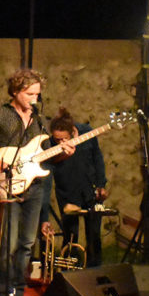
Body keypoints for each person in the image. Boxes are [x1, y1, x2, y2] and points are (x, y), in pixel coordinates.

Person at [0, 69, 73, 296]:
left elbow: (44, 160)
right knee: (7, 244)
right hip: (9, 185)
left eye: (37, 94)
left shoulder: (39, 120)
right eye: (29, 93)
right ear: (16, 91)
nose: (34, 99)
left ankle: (17, 295)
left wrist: (64, 153)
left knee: (27, 243)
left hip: (35, 187)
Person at [47, 108, 109, 267]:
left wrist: (101, 184)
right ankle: (69, 269)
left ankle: (94, 270)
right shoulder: (50, 142)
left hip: (90, 189)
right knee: (71, 233)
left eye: (64, 139)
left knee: (94, 233)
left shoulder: (86, 133)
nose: (61, 143)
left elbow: (98, 158)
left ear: (72, 131)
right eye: (57, 140)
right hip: (67, 191)